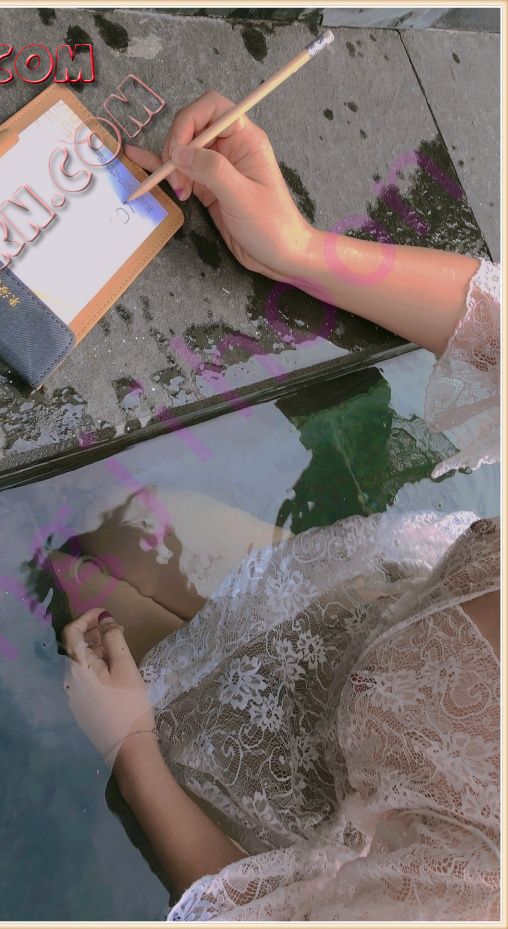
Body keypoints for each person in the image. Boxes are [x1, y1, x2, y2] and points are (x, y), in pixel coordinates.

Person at [57, 91, 500, 920]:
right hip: (360, 612)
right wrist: (297, 249)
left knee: (70, 592)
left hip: (305, 819)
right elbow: (495, 330)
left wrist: (130, 749)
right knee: (114, 518)